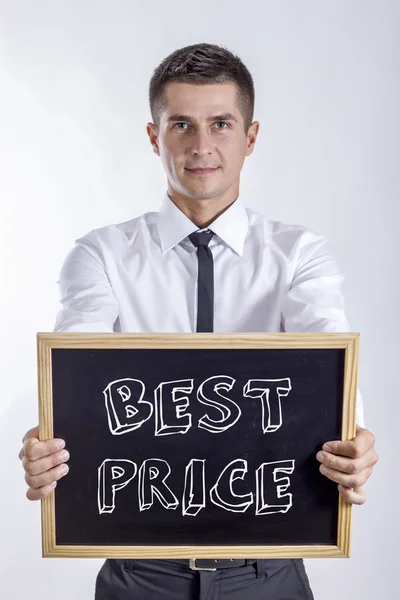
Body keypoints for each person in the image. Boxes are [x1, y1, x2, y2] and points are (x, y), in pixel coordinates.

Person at [18, 43, 378, 600]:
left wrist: (355, 440)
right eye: (181, 124)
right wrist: (49, 441)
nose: (201, 146)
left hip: (268, 573)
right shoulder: (101, 256)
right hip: (141, 574)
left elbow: (328, 358)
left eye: (221, 124)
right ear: (153, 136)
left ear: (251, 137)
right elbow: (73, 373)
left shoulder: (299, 255)